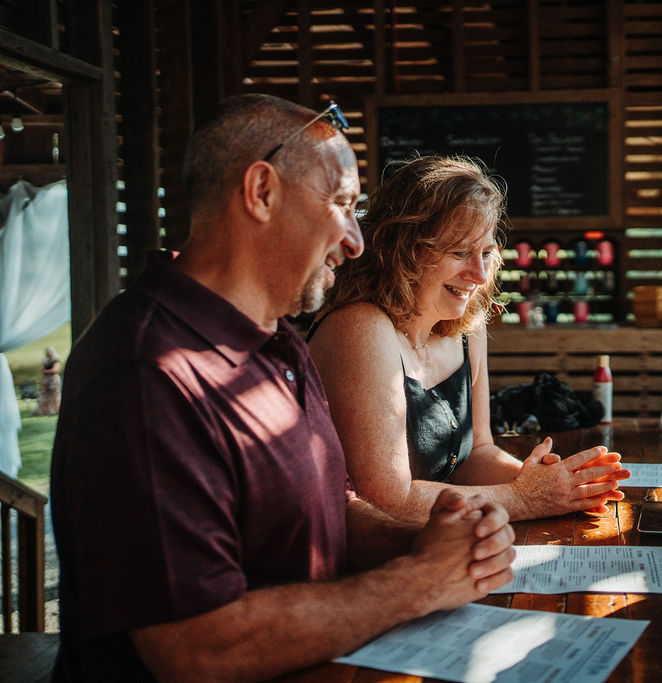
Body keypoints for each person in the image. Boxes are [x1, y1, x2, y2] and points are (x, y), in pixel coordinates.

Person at [50, 95, 515, 680]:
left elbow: (330, 508)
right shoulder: (145, 370)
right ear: (261, 192)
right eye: (343, 205)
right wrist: (416, 581)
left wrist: (433, 542)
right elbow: (197, 648)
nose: (356, 241)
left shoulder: (277, 337)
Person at [307, 155, 629, 523]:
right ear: (403, 250)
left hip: (436, 543)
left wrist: (552, 482)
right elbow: (386, 500)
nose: (478, 274)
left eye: (487, 253)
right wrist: (525, 498)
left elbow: (476, 455)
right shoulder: (360, 326)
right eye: (460, 252)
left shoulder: (466, 328)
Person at [33, 346, 61, 415]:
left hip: (53, 380)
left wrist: (46, 371)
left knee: (54, 395)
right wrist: (46, 371)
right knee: (45, 395)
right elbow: (42, 369)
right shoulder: (46, 361)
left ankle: (55, 409)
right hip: (46, 380)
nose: (47, 354)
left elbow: (55, 370)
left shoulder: (55, 361)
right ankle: (45, 410)